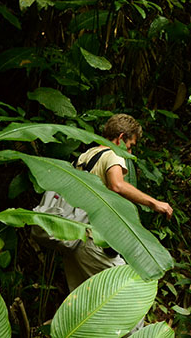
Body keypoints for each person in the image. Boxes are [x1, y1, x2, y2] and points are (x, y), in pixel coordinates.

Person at [63, 113, 173, 292]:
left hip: (73, 239)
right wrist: (154, 203)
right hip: (93, 241)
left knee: (84, 305)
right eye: (130, 146)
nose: (129, 153)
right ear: (121, 138)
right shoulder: (113, 153)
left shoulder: (86, 155)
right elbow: (117, 185)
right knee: (128, 294)